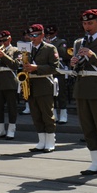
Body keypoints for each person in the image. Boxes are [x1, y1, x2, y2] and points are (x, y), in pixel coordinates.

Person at [22, 24, 59, 152]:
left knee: (47, 114)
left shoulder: (50, 48)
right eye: (31, 35)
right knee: (36, 114)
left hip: (44, 83)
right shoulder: (26, 49)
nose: (32, 38)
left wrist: (36, 68)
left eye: (35, 35)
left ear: (42, 35)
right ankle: (41, 141)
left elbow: (54, 67)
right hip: (31, 85)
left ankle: (50, 141)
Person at [71, 9, 97, 174]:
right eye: (85, 23)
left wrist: (93, 56)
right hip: (82, 88)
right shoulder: (79, 42)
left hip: (96, 87)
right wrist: (74, 62)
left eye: (90, 23)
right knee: (87, 127)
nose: (87, 26)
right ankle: (95, 162)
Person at [0, 30, 20, 140]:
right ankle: (0, 129)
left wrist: (4, 56)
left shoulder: (15, 50)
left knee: (12, 107)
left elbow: (15, 65)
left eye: (5, 40)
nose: (2, 43)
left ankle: (11, 129)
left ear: (10, 39)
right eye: (1, 41)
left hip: (9, 81)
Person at [45, 25, 70, 124]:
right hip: (49, 69)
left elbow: (63, 53)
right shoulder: (44, 43)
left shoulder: (61, 42)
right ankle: (54, 114)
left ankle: (63, 115)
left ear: (55, 33)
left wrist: (50, 45)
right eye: (47, 34)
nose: (49, 36)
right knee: (51, 93)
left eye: (51, 34)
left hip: (59, 69)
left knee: (61, 93)